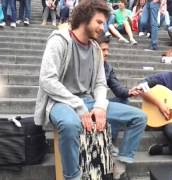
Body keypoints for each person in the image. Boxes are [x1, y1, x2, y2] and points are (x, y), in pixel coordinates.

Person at [34, 1, 146, 179]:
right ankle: (73, 176)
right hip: (59, 101)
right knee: (71, 125)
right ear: (85, 19)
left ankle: (120, 164)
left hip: (88, 100)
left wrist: (100, 106)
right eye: (99, 22)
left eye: (104, 23)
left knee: (139, 117)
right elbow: (47, 80)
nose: (103, 27)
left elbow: (101, 83)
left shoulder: (95, 49)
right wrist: (78, 105)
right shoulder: (59, 41)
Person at [97, 34, 147, 153]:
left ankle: (110, 140)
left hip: (102, 104)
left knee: (123, 101)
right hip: (89, 104)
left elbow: (117, 87)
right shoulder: (85, 65)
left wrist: (129, 91)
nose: (107, 53)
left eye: (108, 49)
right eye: (103, 50)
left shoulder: (107, 67)